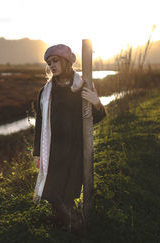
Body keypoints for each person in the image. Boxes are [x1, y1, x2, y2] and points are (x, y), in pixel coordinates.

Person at [32, 44, 106, 233]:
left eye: (55, 61)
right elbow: (40, 124)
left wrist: (96, 102)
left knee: (68, 193)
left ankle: (69, 224)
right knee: (50, 193)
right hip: (54, 152)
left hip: (75, 151)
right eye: (49, 63)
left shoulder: (81, 87)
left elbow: (96, 119)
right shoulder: (46, 93)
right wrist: (37, 153)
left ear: (66, 62)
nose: (52, 65)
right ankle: (77, 226)